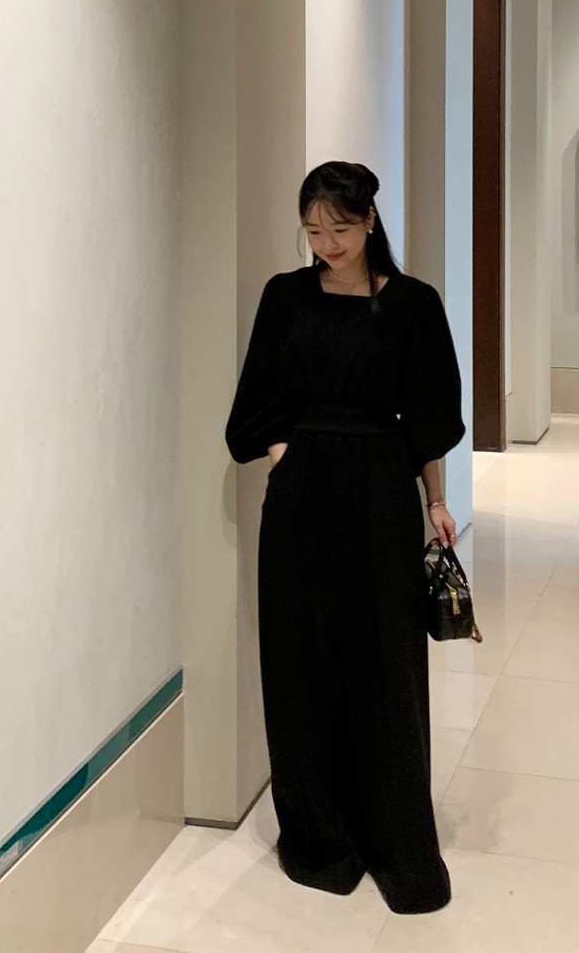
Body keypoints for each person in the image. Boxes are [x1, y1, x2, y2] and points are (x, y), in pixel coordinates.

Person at [225, 160, 465, 915]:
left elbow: (428, 416)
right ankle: (318, 834)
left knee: (385, 661)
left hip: (380, 491)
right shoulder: (285, 296)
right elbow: (258, 394)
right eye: (312, 230)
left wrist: (435, 500)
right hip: (301, 496)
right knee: (302, 657)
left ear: (369, 222)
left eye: (338, 228)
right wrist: (283, 453)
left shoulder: (413, 304)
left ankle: (396, 837)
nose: (325, 243)